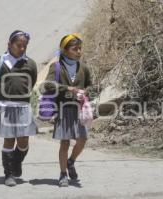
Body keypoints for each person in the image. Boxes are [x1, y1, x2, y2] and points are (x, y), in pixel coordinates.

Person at [0, 30, 37, 186]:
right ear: (10, 44)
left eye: (24, 46)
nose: (21, 48)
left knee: (23, 141)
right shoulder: (0, 62)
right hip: (5, 106)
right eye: (18, 45)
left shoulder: (30, 63)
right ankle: (9, 174)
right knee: (9, 139)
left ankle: (16, 162)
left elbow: (31, 81)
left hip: (23, 107)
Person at [44, 33, 92, 187]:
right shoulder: (56, 67)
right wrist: (68, 88)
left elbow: (90, 85)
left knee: (82, 139)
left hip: (79, 109)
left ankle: (71, 161)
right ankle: (63, 174)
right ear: (65, 50)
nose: (79, 52)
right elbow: (48, 85)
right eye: (75, 49)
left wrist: (86, 92)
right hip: (63, 109)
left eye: (80, 49)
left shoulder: (83, 67)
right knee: (64, 143)